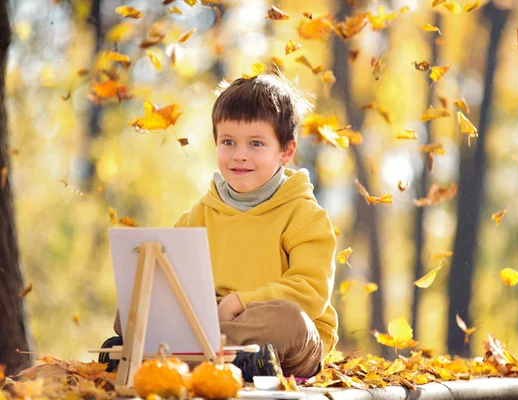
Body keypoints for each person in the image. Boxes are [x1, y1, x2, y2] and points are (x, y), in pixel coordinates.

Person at [100, 70, 339, 382]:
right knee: (130, 308)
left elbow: (309, 292)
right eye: (228, 142)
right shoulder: (196, 217)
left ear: (286, 151)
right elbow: (172, 286)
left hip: (289, 343)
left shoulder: (304, 215)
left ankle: (159, 356)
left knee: (290, 320)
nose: (239, 155)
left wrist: (239, 302)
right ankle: (224, 360)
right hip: (209, 324)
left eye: (256, 143)